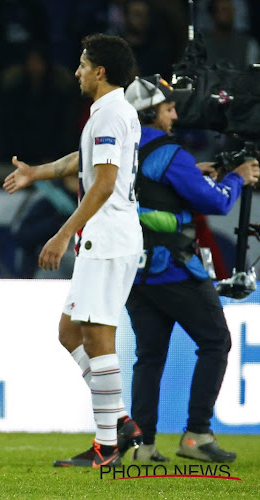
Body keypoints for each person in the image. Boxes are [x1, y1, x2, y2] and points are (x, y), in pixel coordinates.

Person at [4, 33, 144, 467]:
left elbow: (102, 183)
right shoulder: (112, 112)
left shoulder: (109, 116)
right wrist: (36, 173)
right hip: (107, 237)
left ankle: (106, 447)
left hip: (106, 238)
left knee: (99, 337)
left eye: (83, 64)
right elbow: (81, 162)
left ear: (100, 71)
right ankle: (119, 420)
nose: (77, 71)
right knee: (70, 332)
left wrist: (64, 233)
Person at [122, 75, 259, 462]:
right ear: (150, 112)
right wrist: (237, 177)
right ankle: (197, 434)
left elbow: (154, 189)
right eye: (168, 108)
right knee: (216, 341)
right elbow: (214, 204)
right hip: (173, 268)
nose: (175, 114)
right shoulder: (170, 152)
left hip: (134, 270)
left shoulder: (122, 149)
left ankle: (143, 445)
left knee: (149, 357)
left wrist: (190, 173)